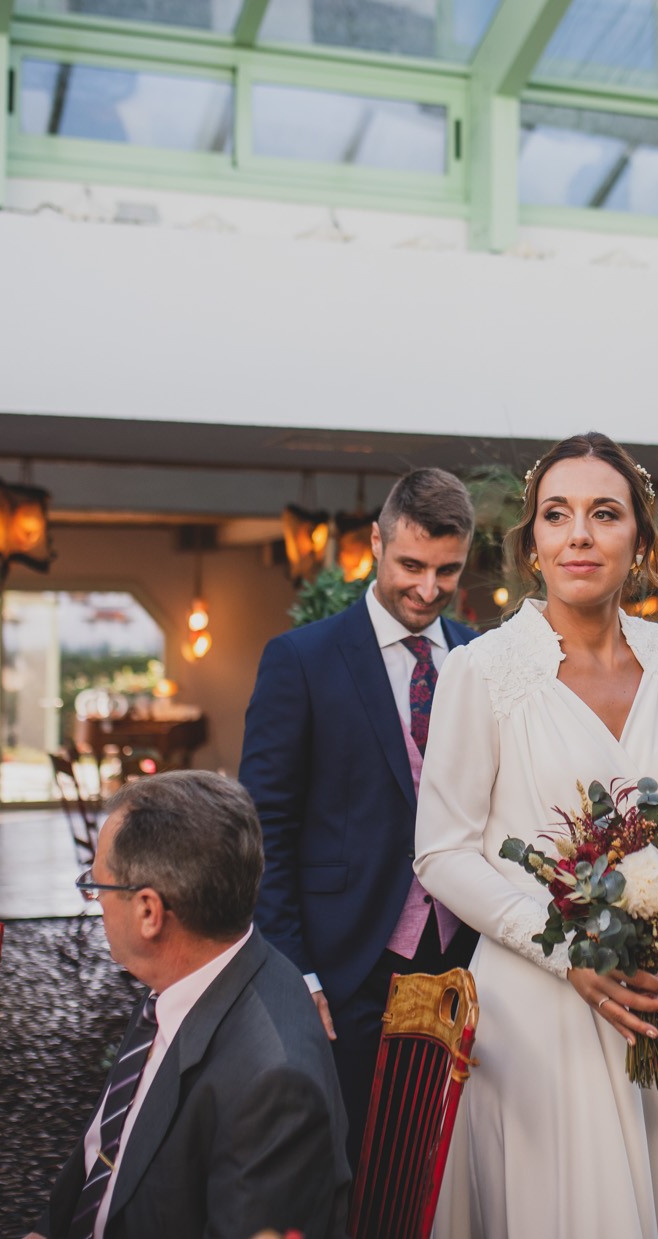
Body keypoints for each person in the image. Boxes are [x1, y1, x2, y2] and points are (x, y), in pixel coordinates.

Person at [413, 433, 658, 1239]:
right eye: (556, 514)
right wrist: (566, 953)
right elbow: (440, 850)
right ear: (532, 544)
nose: (579, 533)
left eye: (605, 514)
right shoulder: (484, 669)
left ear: (638, 541)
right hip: (542, 1011)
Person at [240, 467, 481, 1160]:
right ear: (375, 541)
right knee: (346, 1168)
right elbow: (264, 833)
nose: (428, 589)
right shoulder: (301, 660)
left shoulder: (480, 660)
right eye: (410, 564)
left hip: (465, 963)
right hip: (345, 970)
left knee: (439, 1169)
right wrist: (298, 976)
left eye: (447, 570)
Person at [30, 771, 349, 1239]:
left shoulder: (275, 1086)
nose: (95, 901)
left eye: (97, 885)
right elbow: (108, 1152)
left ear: (148, 912)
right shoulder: (198, 971)